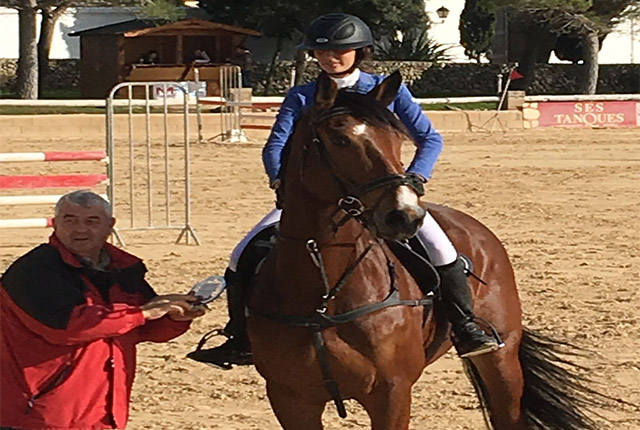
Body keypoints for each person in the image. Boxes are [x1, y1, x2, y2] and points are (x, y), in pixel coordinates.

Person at [189, 13, 501, 369]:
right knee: (241, 254)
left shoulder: (385, 90)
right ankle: (240, 337)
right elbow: (275, 146)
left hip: (380, 193)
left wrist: (415, 178)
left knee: (441, 248)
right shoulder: (303, 96)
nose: (330, 58)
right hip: (316, 199)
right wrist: (280, 181)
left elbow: (429, 138)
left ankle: (464, 327)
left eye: (340, 50)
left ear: (359, 51)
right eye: (322, 53)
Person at [0, 190, 205, 430]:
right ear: (55, 224)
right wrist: (143, 313)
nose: (80, 229)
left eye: (91, 221)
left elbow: (141, 329)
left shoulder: (123, 268)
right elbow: (68, 328)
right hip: (38, 415)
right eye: (70, 220)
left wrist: (175, 317)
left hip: (102, 412)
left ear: (110, 226)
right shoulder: (33, 271)